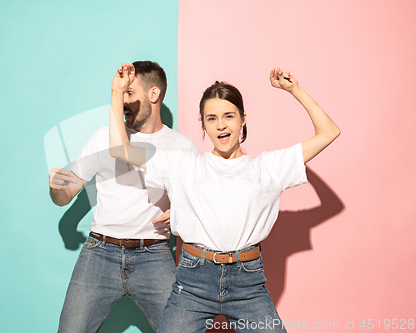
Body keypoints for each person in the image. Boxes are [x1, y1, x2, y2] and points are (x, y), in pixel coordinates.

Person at [109, 64, 341, 333]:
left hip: (248, 284)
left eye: (229, 116)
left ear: (243, 118)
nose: (221, 125)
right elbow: (120, 148)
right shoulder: (183, 165)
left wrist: (294, 89)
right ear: (203, 124)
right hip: (192, 283)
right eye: (211, 118)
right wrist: (117, 92)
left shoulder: (267, 168)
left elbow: (329, 132)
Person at [49, 61, 200, 333]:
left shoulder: (182, 147)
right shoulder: (101, 139)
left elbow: (198, 204)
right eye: (120, 94)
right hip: (99, 254)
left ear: (153, 95)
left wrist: (180, 212)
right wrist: (56, 187)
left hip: (154, 256)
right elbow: (64, 197)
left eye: (129, 93)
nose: (123, 101)